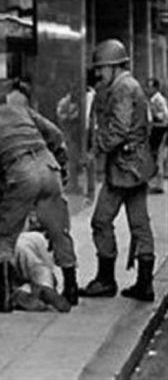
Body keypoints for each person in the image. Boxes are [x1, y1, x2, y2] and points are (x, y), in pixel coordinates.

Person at [0, 78, 78, 313]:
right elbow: (55, 134)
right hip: (49, 168)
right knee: (59, 231)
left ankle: (4, 297)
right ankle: (71, 287)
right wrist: (62, 166)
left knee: (5, 236)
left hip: (21, 174)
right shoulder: (20, 110)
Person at [79, 39, 156, 302]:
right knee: (140, 224)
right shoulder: (131, 84)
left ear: (112, 66)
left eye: (101, 68)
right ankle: (145, 283)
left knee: (101, 220)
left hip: (123, 169)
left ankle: (105, 279)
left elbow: (119, 129)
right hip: (137, 166)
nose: (98, 74)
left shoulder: (122, 88)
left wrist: (94, 151)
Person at [146, 77, 168, 193]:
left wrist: (156, 115)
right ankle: (155, 182)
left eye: (150, 87)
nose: (148, 89)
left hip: (160, 130)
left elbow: (165, 115)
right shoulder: (152, 100)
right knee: (154, 156)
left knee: (158, 156)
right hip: (156, 130)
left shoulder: (158, 100)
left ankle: (158, 184)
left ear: (155, 88)